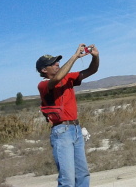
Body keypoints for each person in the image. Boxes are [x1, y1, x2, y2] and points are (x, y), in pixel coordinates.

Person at [36, 44, 100, 187]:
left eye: (57, 61)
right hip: (61, 132)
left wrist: (95, 57)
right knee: (67, 180)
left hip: (76, 129)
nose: (57, 63)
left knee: (83, 174)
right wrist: (75, 57)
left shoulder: (68, 78)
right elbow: (57, 78)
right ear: (44, 70)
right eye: (52, 63)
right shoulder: (43, 85)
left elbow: (92, 70)